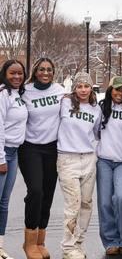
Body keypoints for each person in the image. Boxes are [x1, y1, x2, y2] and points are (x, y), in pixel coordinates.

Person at [19, 58, 65, 259]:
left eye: (49, 69)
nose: (45, 72)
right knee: (36, 191)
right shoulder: (25, 91)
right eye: (41, 69)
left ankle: (40, 241)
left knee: (47, 194)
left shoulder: (60, 90)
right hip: (30, 148)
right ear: (35, 72)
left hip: (52, 149)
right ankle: (29, 242)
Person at [57, 72, 100, 259]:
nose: (83, 90)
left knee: (86, 204)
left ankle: (78, 243)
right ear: (74, 88)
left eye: (86, 86)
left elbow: (98, 133)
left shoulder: (96, 108)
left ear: (91, 88)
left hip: (89, 158)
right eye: (79, 86)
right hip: (67, 157)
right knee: (73, 204)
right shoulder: (64, 103)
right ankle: (68, 247)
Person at [95, 76, 122, 256]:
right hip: (103, 160)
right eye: (116, 89)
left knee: (120, 198)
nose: (119, 93)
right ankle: (110, 240)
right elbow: (92, 130)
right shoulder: (101, 108)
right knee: (104, 202)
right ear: (111, 89)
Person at [0, 60, 27, 259]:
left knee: (4, 202)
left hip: (14, 152)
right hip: (3, 153)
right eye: (12, 73)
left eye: (20, 73)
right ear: (4, 74)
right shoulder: (3, 94)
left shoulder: (18, 94)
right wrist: (1, 158)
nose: (16, 77)